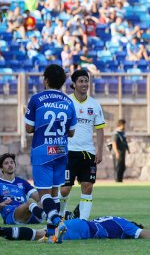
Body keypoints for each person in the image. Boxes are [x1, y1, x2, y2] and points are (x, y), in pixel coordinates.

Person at [24, 64, 77, 243]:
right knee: (54, 195)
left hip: (42, 150)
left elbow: (29, 127)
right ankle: (51, 235)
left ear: (45, 80)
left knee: (44, 194)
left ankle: (57, 221)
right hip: (61, 150)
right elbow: (71, 133)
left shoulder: (37, 99)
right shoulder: (69, 101)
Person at [59, 70, 106, 221]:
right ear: (73, 84)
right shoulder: (66, 102)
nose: (85, 84)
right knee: (65, 189)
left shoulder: (94, 104)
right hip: (68, 152)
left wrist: (99, 151)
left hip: (88, 153)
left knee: (88, 186)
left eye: (86, 81)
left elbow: (99, 130)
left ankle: (83, 222)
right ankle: (58, 217)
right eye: (81, 81)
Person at [0, 215, 150, 242]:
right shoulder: (127, 226)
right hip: (82, 230)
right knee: (39, 234)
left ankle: (8, 233)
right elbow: (147, 234)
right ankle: (3, 231)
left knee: (41, 233)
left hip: (80, 224)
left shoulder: (117, 219)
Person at [0, 153, 45, 225]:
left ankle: (62, 215)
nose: (10, 165)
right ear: (1, 168)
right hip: (12, 215)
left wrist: (46, 190)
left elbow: (37, 197)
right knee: (29, 202)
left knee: (45, 198)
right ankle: (45, 215)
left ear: (15, 165)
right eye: (6, 163)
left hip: (28, 214)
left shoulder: (22, 182)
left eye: (12, 162)